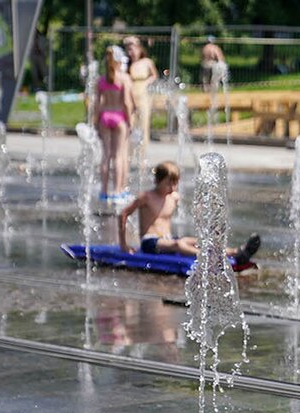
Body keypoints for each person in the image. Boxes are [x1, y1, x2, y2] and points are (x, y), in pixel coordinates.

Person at [118, 161, 260, 265]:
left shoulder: (173, 197)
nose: (173, 188)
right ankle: (211, 259)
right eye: (168, 183)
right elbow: (123, 214)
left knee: (198, 241)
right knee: (180, 244)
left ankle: (237, 252)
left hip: (168, 239)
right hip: (149, 242)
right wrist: (123, 245)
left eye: (175, 184)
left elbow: (195, 210)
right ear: (157, 180)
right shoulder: (146, 197)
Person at [96, 47, 133, 200]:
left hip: (105, 116)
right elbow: (126, 102)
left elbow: (97, 103)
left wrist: (96, 121)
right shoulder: (123, 78)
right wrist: (129, 121)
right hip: (119, 117)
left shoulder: (102, 79)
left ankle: (104, 192)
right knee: (118, 155)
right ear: (119, 61)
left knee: (106, 156)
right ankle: (118, 191)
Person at [123, 36, 158, 149]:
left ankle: (142, 158)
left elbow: (154, 75)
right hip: (130, 96)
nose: (131, 52)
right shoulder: (127, 65)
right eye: (128, 50)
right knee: (129, 126)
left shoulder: (147, 62)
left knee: (143, 126)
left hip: (143, 95)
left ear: (139, 49)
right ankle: (128, 153)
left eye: (132, 49)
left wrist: (147, 82)